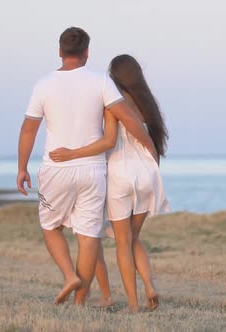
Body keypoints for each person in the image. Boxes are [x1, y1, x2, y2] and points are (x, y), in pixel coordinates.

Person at [16, 27, 157, 306]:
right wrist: (149, 148)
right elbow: (128, 118)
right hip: (93, 170)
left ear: (60, 51)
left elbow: (29, 130)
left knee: (50, 226)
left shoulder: (43, 84)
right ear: (87, 52)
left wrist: (22, 168)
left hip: (56, 167)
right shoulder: (100, 81)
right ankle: (80, 301)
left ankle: (70, 276)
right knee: (88, 234)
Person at [49, 54, 169, 312]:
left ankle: (134, 304)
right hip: (147, 173)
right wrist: (153, 157)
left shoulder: (114, 101)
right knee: (135, 237)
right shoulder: (148, 104)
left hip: (120, 173)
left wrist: (71, 154)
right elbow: (148, 137)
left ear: (115, 77)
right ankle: (149, 285)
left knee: (123, 242)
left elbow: (112, 140)